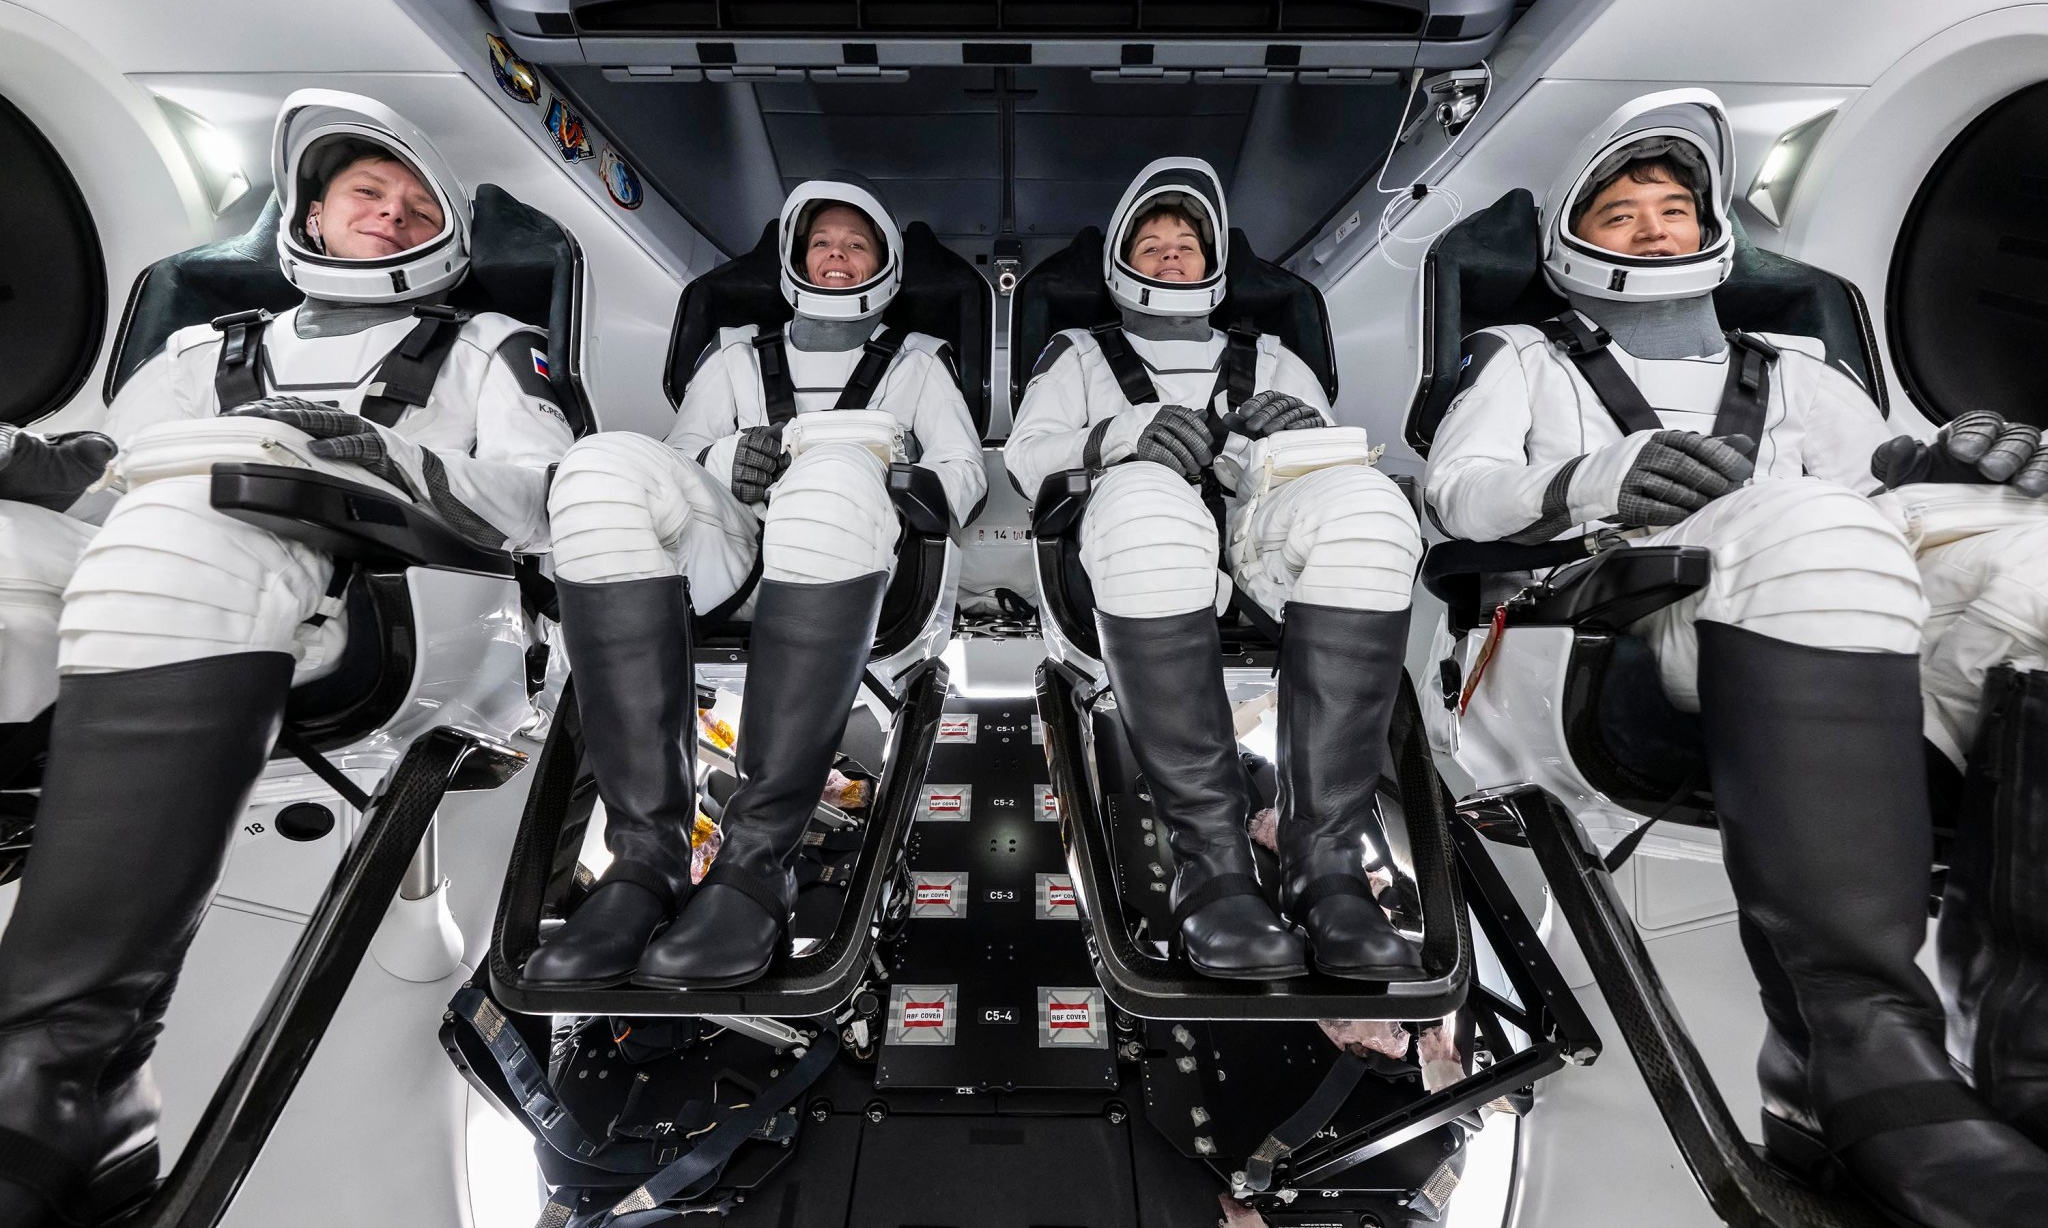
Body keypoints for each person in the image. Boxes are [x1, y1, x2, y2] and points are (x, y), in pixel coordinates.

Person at [1424, 88, 2048, 1224]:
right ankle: (1844, 1065)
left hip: (1806, 608)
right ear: (1570, 247)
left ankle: (2028, 1050)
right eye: (1621, 214)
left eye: (1673, 208)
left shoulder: (1803, 373)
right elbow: (1458, 492)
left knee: (2028, 561)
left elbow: (1881, 506)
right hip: (1588, 636)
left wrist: (1939, 472)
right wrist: (1587, 480)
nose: (1655, 227)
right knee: (1804, 522)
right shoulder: (1519, 358)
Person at [0, 91, 573, 1225]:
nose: (393, 214)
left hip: (412, 600)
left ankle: (77, 1066)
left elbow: (544, 492)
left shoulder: (490, 349)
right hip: (173, 550)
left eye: (415, 204)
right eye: (369, 194)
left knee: (197, 528)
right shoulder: (199, 348)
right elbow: (109, 469)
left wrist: (394, 460)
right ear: (312, 211)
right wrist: (39, 464)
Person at [529, 176, 983, 992]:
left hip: (860, 559)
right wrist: (721, 460)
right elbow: (676, 460)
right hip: (735, 560)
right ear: (794, 260)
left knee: (832, 471)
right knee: (600, 466)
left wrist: (885, 469)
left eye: (855, 245)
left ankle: (755, 867)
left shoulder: (919, 367)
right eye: (821, 243)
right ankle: (644, 863)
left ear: (884, 267)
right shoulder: (735, 356)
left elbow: (963, 477)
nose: (836, 256)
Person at [1005, 158, 1423, 982]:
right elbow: (1027, 458)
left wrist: (1292, 432)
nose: (1169, 256)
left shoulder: (1273, 356)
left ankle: (1329, 868)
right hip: (1139, 549)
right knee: (1148, 502)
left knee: (1372, 508)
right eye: (1151, 242)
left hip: (1260, 542)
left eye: (1185, 244)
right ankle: (1214, 869)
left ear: (1211, 263)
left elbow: (1327, 461)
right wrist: (1122, 437)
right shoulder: (1077, 355)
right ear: (1122, 261)